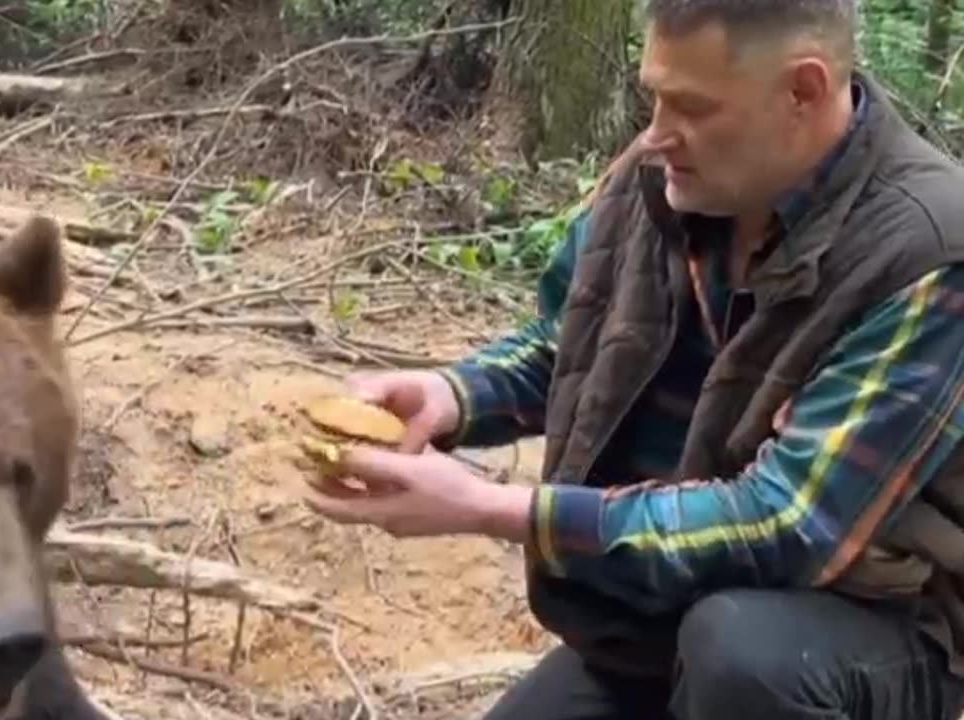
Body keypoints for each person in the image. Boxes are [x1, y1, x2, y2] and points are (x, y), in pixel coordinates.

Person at [299, 2, 964, 719]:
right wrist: (455, 395)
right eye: (654, 94)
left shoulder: (930, 249)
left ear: (802, 90)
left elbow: (790, 524)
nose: (656, 132)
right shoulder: (663, 180)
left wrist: (494, 509)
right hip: (666, 608)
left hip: (868, 630)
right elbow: (575, 343)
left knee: (742, 656)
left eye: (691, 106)